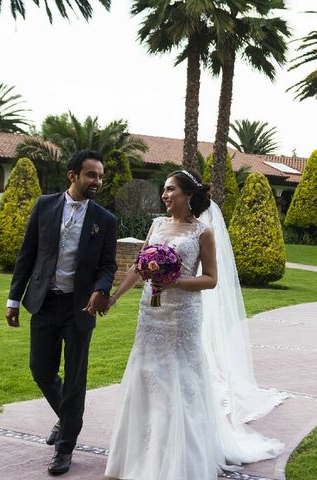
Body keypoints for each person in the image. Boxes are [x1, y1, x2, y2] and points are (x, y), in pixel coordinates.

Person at [104, 170, 284, 480]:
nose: (164, 195)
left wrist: (174, 281)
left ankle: (179, 460)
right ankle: (138, 457)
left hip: (182, 316)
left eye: (170, 189)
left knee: (178, 381)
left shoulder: (203, 232)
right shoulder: (157, 225)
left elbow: (211, 279)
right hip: (150, 313)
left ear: (187, 195)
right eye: (164, 190)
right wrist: (114, 298)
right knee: (146, 375)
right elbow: (138, 266)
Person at [5, 149, 117, 475]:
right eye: (91, 175)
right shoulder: (44, 206)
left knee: (75, 380)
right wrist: (14, 299)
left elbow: (108, 264)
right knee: (40, 370)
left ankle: (65, 448)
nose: (97, 181)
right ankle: (67, 419)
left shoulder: (105, 220)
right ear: (73, 175)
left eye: (100, 175)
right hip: (44, 302)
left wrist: (101, 288)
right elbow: (28, 254)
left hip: (79, 307)